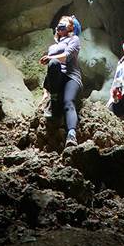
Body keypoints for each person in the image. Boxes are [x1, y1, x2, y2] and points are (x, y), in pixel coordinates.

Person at [39, 15, 82, 147]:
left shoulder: (74, 39)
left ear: (71, 27)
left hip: (71, 77)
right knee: (53, 64)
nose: (60, 25)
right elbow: (50, 72)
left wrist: (51, 58)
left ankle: (71, 135)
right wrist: (45, 93)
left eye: (64, 22)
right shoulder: (53, 47)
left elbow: (67, 56)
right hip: (56, 80)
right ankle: (54, 98)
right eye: (59, 23)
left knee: (68, 103)